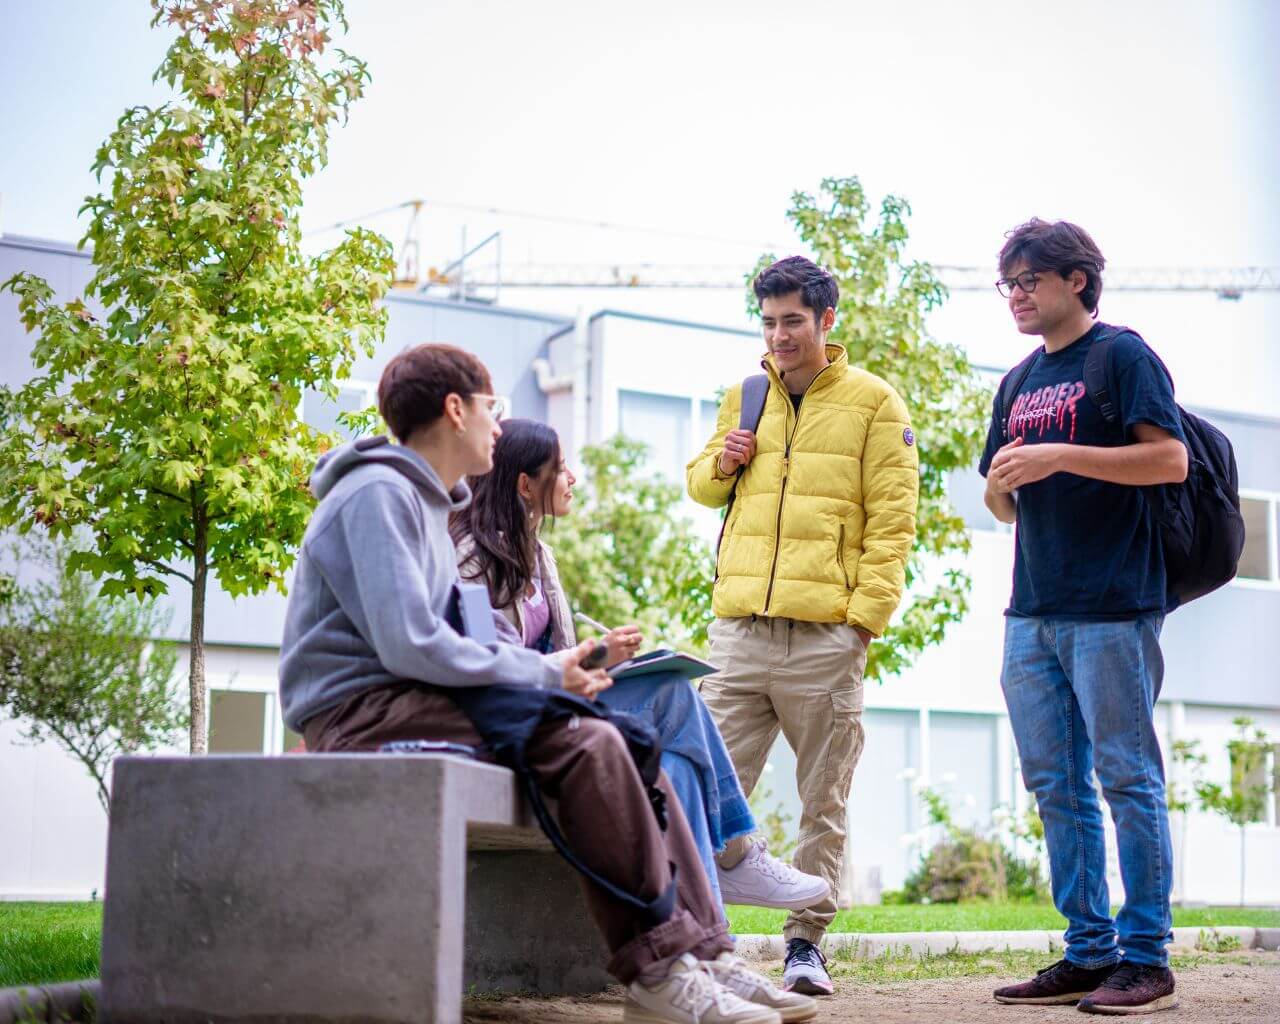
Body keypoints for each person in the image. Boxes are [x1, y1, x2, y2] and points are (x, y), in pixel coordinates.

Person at [278, 343, 800, 1024]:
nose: (499, 425)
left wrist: (557, 668)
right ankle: (659, 971)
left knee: (625, 739)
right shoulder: (378, 493)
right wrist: (548, 670)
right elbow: (410, 644)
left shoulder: (422, 501)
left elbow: (459, 640)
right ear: (455, 408)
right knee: (593, 746)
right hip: (363, 713)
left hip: (415, 702)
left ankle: (696, 955)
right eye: (492, 408)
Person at [449, 417, 830, 932]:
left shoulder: (540, 556)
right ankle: (734, 860)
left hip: (556, 702)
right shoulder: (475, 558)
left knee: (675, 764)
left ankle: (709, 935)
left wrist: (601, 657)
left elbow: (559, 655)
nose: (572, 477)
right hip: (519, 717)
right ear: (524, 484)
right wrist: (577, 663)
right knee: (673, 695)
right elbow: (490, 663)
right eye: (560, 468)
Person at [687, 256, 920, 996]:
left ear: (826, 320)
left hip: (825, 638)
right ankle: (695, 939)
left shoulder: (876, 403)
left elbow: (893, 523)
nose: (779, 335)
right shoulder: (746, 394)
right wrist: (721, 462)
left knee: (824, 798)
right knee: (699, 789)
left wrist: (862, 623)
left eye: (792, 321)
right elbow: (700, 484)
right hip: (740, 633)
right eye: (768, 322)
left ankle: (804, 949)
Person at [982, 220, 1188, 1015]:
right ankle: (1087, 950)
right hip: (1032, 608)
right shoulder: (1017, 380)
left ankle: (1147, 959)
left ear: (1078, 280)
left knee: (1127, 778)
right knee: (1055, 786)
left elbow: (1168, 459)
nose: (1018, 295)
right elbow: (1002, 502)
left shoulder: (1121, 356)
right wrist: (1008, 479)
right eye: (1009, 283)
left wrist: (1059, 454)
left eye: (1031, 279)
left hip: (1112, 605)